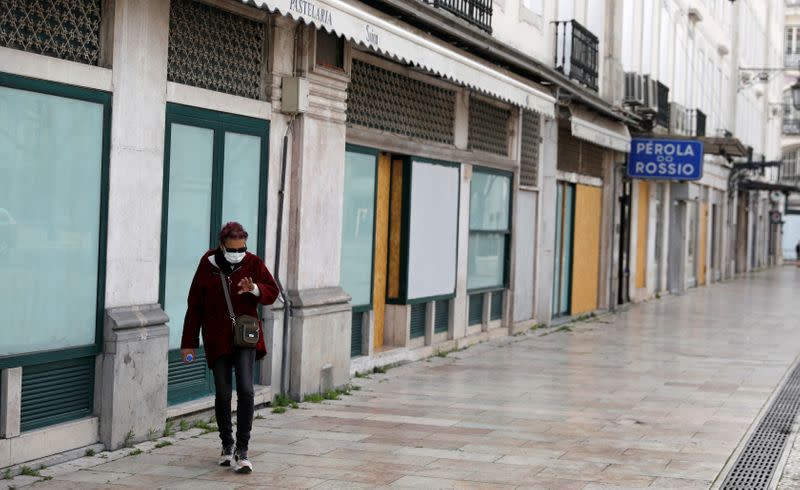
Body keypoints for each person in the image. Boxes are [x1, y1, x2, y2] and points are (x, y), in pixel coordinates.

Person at [180, 222, 279, 474]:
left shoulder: (253, 263)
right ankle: (227, 444)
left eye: (242, 248)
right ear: (222, 245)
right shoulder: (207, 265)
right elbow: (194, 306)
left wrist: (254, 289)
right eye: (234, 248)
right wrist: (189, 343)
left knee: (246, 390)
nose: (239, 252)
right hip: (216, 338)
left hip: (244, 336)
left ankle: (242, 450)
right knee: (223, 394)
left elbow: (272, 292)